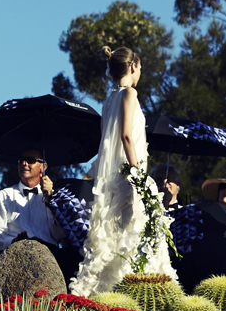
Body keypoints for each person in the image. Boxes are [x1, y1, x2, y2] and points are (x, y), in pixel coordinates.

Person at [70, 47, 176, 298]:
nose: (139, 74)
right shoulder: (130, 93)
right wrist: (137, 172)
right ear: (132, 67)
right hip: (129, 177)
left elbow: (104, 144)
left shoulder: (108, 101)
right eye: (140, 69)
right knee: (133, 235)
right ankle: (131, 289)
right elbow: (126, 136)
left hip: (114, 180)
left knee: (115, 237)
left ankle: (104, 290)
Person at [0, 149, 79, 279]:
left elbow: (60, 235)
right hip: (15, 256)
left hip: (49, 256)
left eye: (30, 160)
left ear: (43, 167)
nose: (24, 163)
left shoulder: (55, 197)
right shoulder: (3, 196)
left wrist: (51, 201)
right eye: (20, 161)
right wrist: (12, 241)